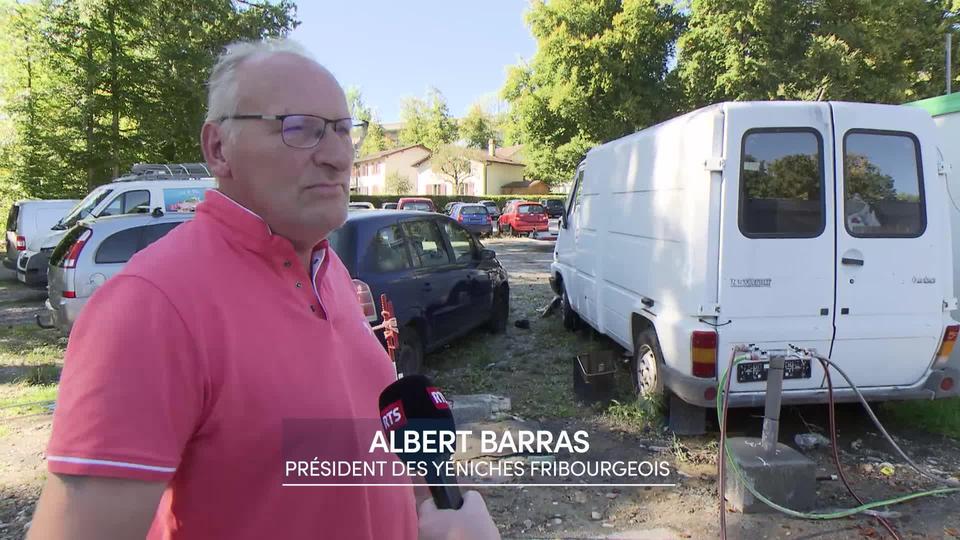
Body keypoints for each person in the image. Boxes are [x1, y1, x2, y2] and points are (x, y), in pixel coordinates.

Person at [27, 38, 499, 540]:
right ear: (218, 148)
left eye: (343, 131)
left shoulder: (329, 271)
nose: (338, 157)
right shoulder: (151, 305)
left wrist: (428, 512)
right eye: (300, 129)